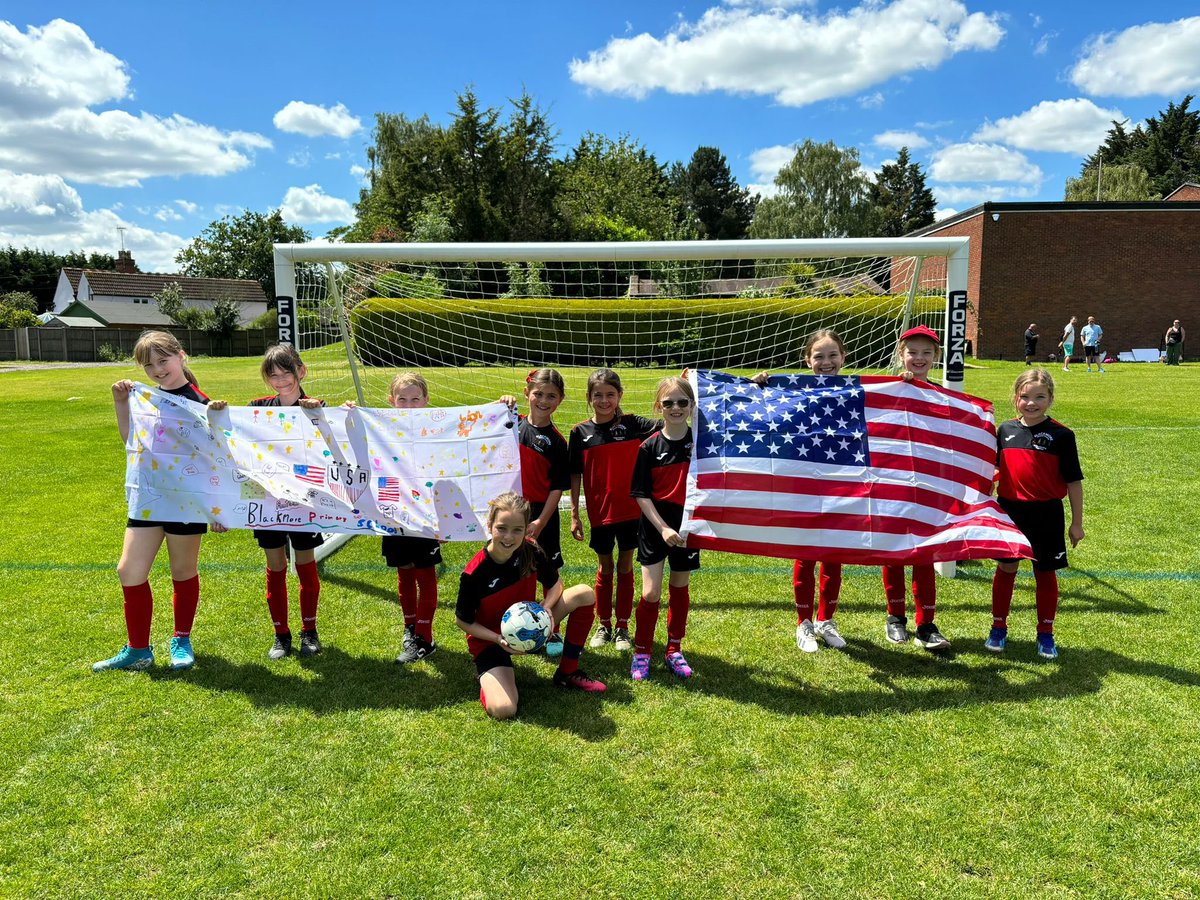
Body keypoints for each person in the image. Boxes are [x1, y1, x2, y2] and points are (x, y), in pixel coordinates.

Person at [94, 331, 227, 672]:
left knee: (182, 571)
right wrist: (120, 402)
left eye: (163, 361)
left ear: (181, 356)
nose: (157, 370)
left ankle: (181, 640)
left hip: (186, 501)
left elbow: (217, 458)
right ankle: (138, 650)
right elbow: (131, 440)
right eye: (148, 365)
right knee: (129, 571)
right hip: (149, 498)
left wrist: (218, 508)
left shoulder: (200, 403)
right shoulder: (146, 398)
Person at [456, 492, 606, 719]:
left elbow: (555, 585)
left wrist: (546, 608)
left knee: (583, 594)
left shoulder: (531, 550)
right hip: (491, 642)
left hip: (532, 624)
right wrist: (497, 639)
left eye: (517, 529)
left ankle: (567, 673)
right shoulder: (474, 573)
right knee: (504, 710)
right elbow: (463, 621)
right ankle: (488, 678)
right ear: (490, 525)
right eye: (502, 528)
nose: (509, 537)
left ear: (526, 528)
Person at [751, 330, 850, 653]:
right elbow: (762, 413)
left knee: (834, 555)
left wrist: (904, 384)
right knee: (805, 554)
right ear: (807, 360)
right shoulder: (793, 393)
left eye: (832, 355)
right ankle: (804, 622)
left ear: (843, 357)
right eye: (819, 356)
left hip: (842, 483)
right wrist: (758, 385)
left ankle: (826, 619)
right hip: (804, 484)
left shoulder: (855, 392)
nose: (826, 362)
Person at [987, 369, 1084, 660]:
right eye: (1025, 397)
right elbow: (994, 468)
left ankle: (1045, 633)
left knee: (1045, 573)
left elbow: (1074, 482)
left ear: (1050, 399)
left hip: (1047, 513)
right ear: (1015, 398)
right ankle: (998, 627)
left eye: (1039, 397)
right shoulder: (1005, 430)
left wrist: (1077, 524)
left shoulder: (1062, 435)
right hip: (1010, 511)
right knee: (1006, 569)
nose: (1031, 403)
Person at [349, 372, 442, 664]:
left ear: (426, 400)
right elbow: (355, 443)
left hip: (425, 516)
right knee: (405, 571)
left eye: (415, 399)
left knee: (425, 574)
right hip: (393, 514)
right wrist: (349, 417)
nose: (409, 405)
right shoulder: (382, 430)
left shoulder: (436, 432)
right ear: (391, 401)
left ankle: (425, 638)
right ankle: (410, 628)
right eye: (402, 399)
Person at [569, 368, 660, 653]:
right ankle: (604, 624)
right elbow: (575, 475)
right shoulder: (579, 432)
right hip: (601, 513)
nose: (604, 401)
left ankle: (622, 626)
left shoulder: (634, 424)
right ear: (589, 397)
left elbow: (672, 420)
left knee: (625, 566)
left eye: (610, 394)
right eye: (598, 395)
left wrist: (685, 386)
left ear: (620, 395)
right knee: (605, 566)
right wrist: (574, 513)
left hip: (633, 511)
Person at [249, 345, 326, 659]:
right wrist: (217, 412)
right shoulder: (256, 408)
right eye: (273, 375)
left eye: (286, 373)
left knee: (305, 565)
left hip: (304, 503)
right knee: (276, 565)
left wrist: (324, 416)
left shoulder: (317, 408)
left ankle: (310, 631)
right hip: (269, 503)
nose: (280, 380)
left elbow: (336, 442)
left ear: (301, 372)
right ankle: (281, 635)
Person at [882, 325, 950, 652]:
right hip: (893, 484)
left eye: (926, 353)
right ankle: (895, 617)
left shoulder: (944, 396)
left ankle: (926, 624)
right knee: (894, 552)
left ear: (936, 356)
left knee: (925, 553)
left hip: (928, 485)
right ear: (901, 355)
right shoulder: (889, 389)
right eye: (912, 352)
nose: (919, 358)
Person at [629, 377, 701, 680]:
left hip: (688, 527)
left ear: (692, 406)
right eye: (668, 402)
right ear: (659, 406)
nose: (675, 408)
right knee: (651, 592)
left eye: (682, 402)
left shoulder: (701, 444)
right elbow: (641, 495)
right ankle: (642, 651)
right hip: (655, 527)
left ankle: (674, 649)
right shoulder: (649, 447)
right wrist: (662, 528)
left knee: (679, 587)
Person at [500, 368, 570, 658]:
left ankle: (551, 628)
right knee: (511, 569)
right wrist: (501, 403)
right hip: (510, 510)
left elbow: (557, 487)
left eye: (551, 396)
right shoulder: (509, 424)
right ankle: (515, 626)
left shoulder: (557, 442)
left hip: (542, 514)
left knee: (548, 572)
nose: (543, 400)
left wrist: (541, 520)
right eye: (538, 394)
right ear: (526, 393)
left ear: (560, 400)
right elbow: (481, 429)